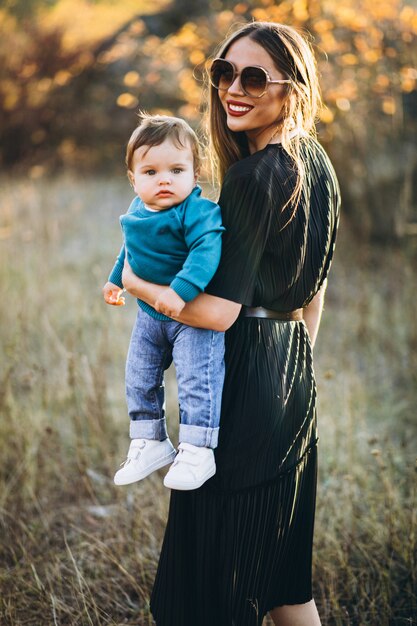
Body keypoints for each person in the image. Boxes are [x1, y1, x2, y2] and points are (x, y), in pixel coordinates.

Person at [122, 22, 340, 626]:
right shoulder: (316, 163)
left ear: (290, 89)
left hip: (244, 385)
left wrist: (138, 286)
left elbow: (216, 314)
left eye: (253, 77)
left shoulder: (250, 178)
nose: (232, 89)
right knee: (282, 583)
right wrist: (292, 377)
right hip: (293, 376)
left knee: (202, 595)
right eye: (224, 72)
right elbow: (315, 291)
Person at [103, 114, 225, 491]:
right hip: (150, 316)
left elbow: (207, 250)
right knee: (138, 373)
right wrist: (114, 279)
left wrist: (180, 291)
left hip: (190, 316)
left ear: (195, 172)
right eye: (151, 172)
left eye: (176, 169)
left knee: (195, 378)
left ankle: (197, 448)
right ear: (134, 178)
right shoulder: (138, 210)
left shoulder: (196, 211)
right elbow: (132, 248)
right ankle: (150, 439)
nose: (164, 180)